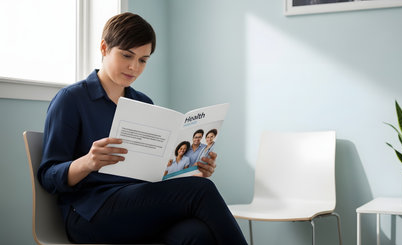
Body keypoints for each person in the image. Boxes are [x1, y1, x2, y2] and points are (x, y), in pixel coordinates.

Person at [38, 12, 247, 245]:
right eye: (127, 55)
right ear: (104, 48)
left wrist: (192, 169)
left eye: (143, 60)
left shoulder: (143, 103)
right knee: (202, 190)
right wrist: (88, 162)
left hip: (138, 208)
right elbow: (48, 176)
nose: (134, 67)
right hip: (90, 214)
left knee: (196, 233)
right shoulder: (71, 99)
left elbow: (155, 174)